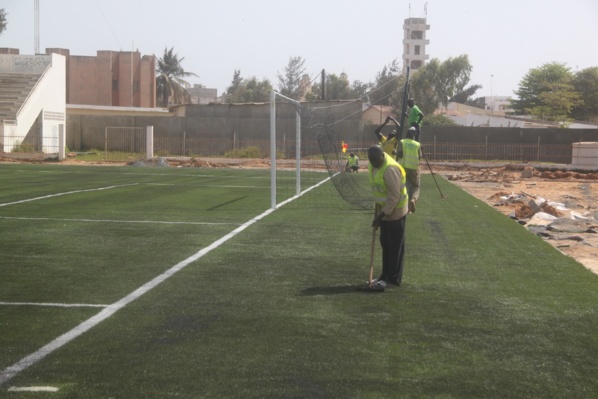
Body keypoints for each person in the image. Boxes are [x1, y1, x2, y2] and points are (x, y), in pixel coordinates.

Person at [367, 145, 409, 288]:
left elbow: (394, 197)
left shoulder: (390, 169)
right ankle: (384, 275)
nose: (374, 164)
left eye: (376, 161)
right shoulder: (373, 165)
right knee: (385, 243)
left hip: (396, 211)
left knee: (394, 246)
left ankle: (393, 279)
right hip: (384, 210)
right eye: (372, 161)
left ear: (381, 157)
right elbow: (379, 189)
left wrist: (380, 217)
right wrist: (379, 211)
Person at [397, 127, 422, 213]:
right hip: (413, 169)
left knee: (405, 187)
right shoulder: (417, 144)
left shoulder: (402, 142)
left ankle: (406, 207)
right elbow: (419, 157)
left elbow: (400, 154)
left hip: (402, 168)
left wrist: (395, 153)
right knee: (415, 186)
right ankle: (413, 200)